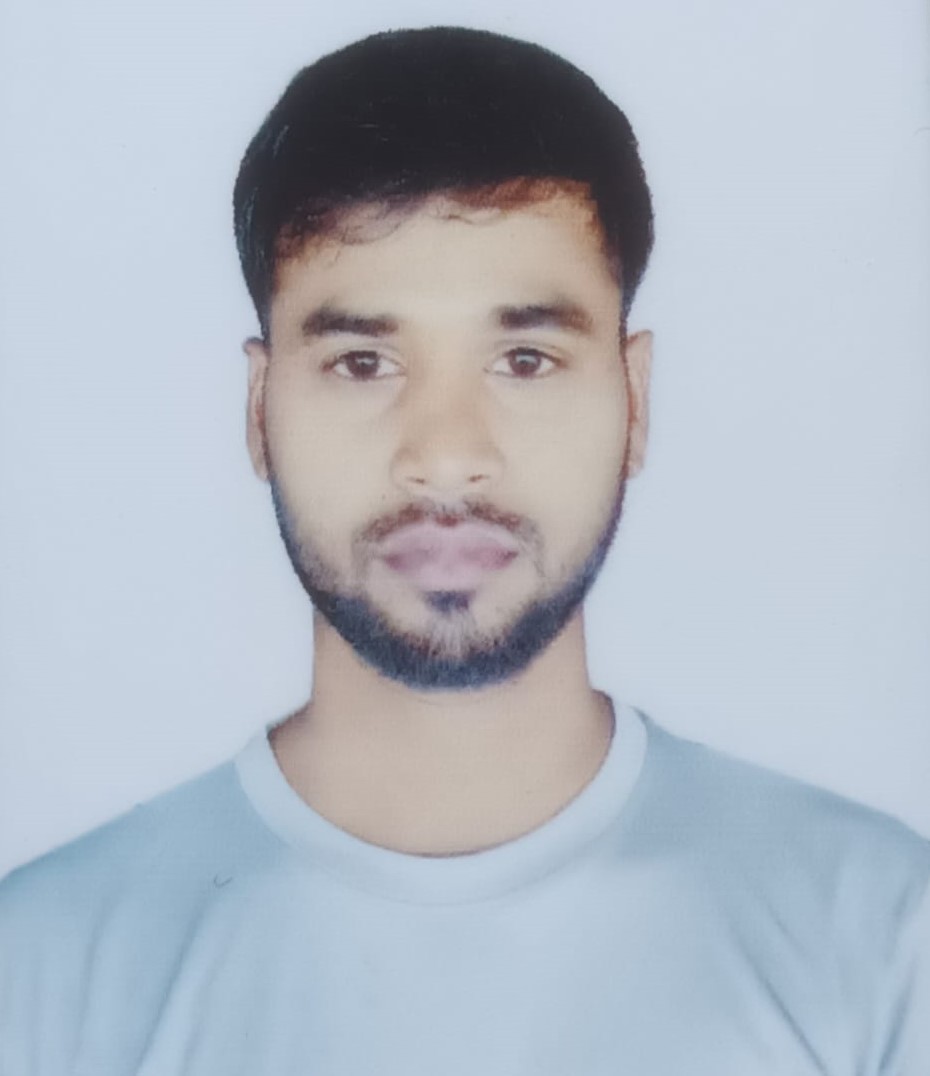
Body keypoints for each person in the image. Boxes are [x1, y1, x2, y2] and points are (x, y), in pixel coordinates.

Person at [0, 25, 927, 1075]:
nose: (445, 458)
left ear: (636, 399)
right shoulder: (40, 974)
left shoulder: (884, 943)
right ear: (259, 410)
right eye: (363, 362)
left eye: (525, 359)